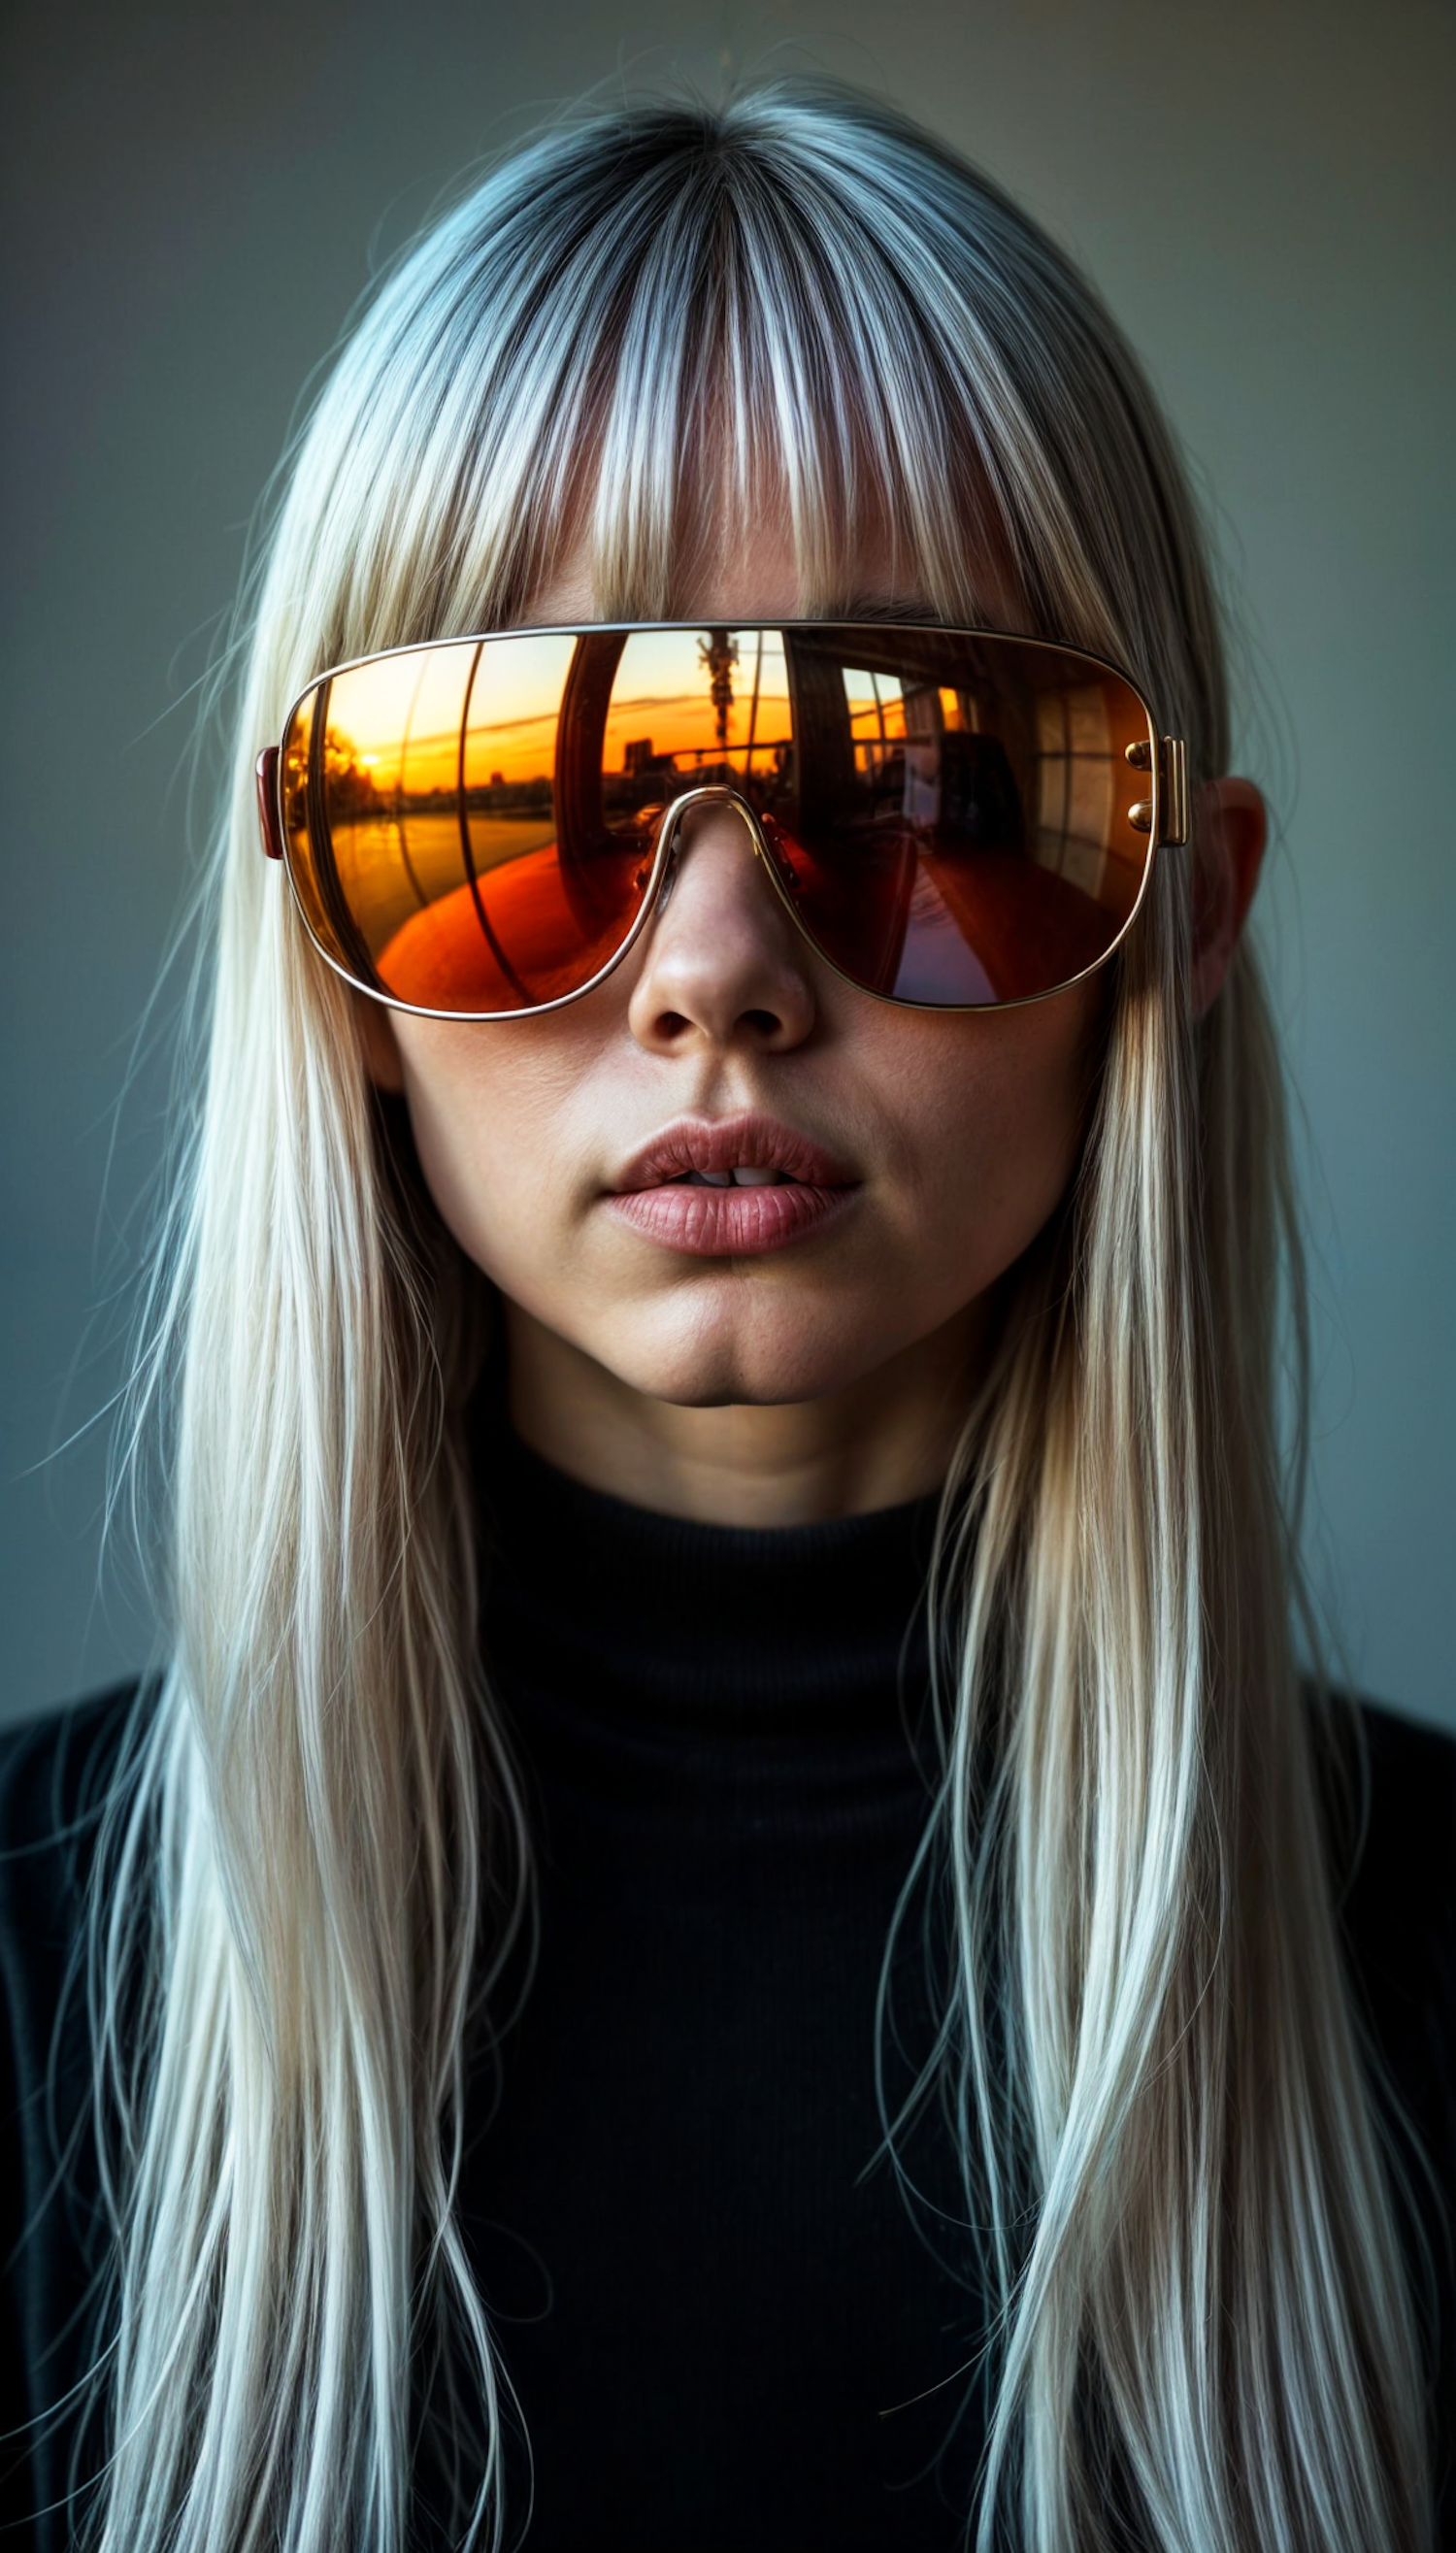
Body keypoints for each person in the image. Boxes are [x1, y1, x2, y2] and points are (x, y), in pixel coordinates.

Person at [1, 83, 1450, 2553]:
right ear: (327, 941)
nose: (717, 976)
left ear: (1174, 923)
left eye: (914, 784)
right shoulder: (33, 1994)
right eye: (519, 799)